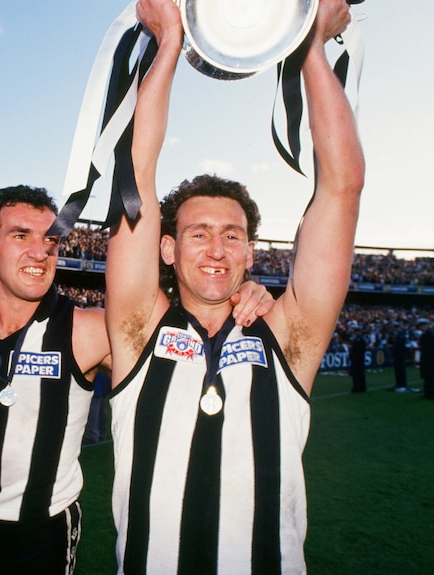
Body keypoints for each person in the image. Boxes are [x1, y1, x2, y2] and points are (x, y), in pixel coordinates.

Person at [0, 186, 273, 574]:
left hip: (47, 535)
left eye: (52, 240)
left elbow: (184, 335)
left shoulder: (86, 330)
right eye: (22, 236)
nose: (41, 252)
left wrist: (240, 289)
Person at [104, 0, 364, 572]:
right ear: (167, 249)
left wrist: (312, 46)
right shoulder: (136, 329)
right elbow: (135, 174)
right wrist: (170, 41)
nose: (217, 249)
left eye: (232, 235)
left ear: (250, 252)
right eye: (198, 234)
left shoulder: (290, 334)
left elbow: (341, 189)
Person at [349, 326, 367, 393]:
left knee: (356, 374)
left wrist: (351, 356)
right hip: (361, 358)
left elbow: (354, 350)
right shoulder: (362, 339)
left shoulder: (357, 339)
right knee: (361, 373)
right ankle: (362, 387)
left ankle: (356, 388)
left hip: (356, 358)